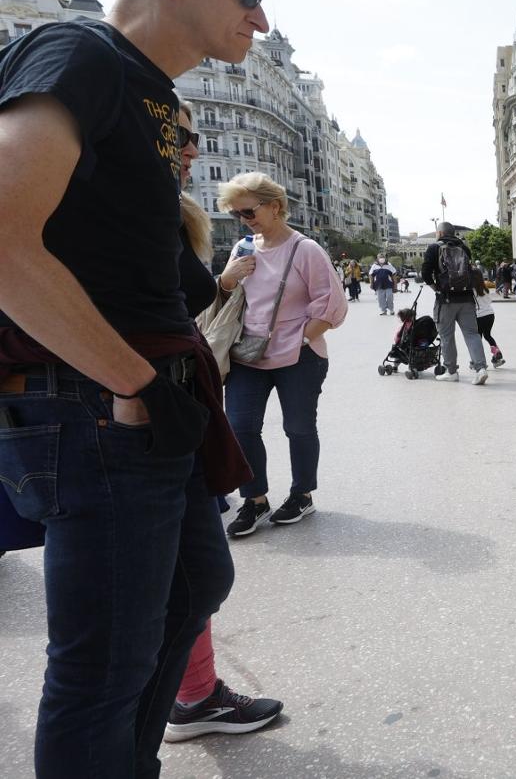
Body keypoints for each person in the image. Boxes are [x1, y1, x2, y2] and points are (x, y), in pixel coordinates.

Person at [0, 0, 268, 775]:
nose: (260, 18)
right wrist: (136, 382)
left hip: (140, 401)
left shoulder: (145, 89)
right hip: (99, 405)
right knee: (102, 668)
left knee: (194, 586)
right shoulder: (79, 53)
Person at [173, 105, 283, 742]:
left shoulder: (156, 206)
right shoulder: (119, 203)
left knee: (198, 572)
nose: (193, 148)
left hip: (178, 402)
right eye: (182, 135)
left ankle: (191, 695)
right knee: (186, 575)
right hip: (147, 412)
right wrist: (129, 384)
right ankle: (179, 701)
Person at [220, 172, 348, 538]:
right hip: (247, 354)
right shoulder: (243, 247)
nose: (243, 219)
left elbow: (332, 305)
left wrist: (301, 340)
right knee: (240, 426)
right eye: (237, 213)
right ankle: (255, 500)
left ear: (275, 206)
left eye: (248, 211)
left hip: (299, 358)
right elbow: (225, 298)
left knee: (299, 427)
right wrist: (227, 277)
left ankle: (302, 494)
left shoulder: (305, 250)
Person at [421, 221, 489, 385]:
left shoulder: (434, 248)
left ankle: (451, 371)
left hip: (446, 300)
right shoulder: (464, 248)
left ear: (440, 233)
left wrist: (436, 288)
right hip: (467, 299)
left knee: (447, 336)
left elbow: (425, 273)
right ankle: (481, 369)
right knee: (472, 334)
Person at [473, 270, 506, 367]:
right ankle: (496, 353)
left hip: (479, 316)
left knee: (477, 338)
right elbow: (489, 301)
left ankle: (478, 361)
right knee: (488, 335)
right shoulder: (485, 289)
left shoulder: (472, 290)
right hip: (490, 314)